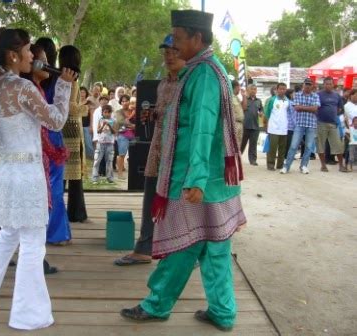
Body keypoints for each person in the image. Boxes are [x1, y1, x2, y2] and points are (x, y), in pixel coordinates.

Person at [120, 10, 246, 332]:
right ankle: (223, 311)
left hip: (196, 181)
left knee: (182, 244)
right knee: (214, 246)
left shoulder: (203, 74)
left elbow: (203, 129)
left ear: (197, 39)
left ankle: (157, 304)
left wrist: (195, 181)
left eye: (177, 38)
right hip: (215, 181)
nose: (173, 44)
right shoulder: (206, 70)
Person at [0, 27, 76, 330]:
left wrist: (3, 137)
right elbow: (56, 120)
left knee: (9, 235)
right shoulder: (22, 89)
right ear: (13, 56)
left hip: (3, 172)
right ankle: (28, 315)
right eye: (27, 51)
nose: (32, 55)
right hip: (25, 175)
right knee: (33, 243)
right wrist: (64, 87)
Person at [114, 34, 185, 266]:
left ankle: (186, 252)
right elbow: (166, 116)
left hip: (181, 157)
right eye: (165, 51)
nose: (169, 55)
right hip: (157, 152)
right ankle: (145, 247)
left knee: (179, 204)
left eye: (174, 50)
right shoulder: (164, 83)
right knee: (150, 198)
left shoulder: (192, 83)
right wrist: (153, 115)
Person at [27, 43, 71, 246]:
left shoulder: (44, 83)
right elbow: (56, 118)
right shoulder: (31, 88)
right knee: (51, 189)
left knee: (52, 188)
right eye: (41, 61)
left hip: (47, 140)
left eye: (47, 60)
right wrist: (64, 86)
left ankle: (53, 232)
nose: (46, 64)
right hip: (45, 141)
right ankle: (53, 233)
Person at [59, 45, 90, 223]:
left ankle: (61, 210)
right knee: (74, 174)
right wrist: (85, 108)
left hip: (62, 128)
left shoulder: (60, 77)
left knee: (63, 173)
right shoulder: (72, 80)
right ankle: (76, 212)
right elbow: (70, 107)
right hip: (71, 128)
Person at [281, 78, 320, 174]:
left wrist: (302, 107)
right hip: (299, 124)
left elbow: (315, 109)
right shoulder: (297, 95)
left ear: (312, 86)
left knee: (309, 147)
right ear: (303, 85)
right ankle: (287, 166)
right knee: (294, 146)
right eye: (306, 84)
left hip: (311, 124)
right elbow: (296, 108)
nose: (307, 86)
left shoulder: (315, 96)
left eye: (309, 84)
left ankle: (303, 166)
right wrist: (309, 108)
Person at [316, 77, 347, 172]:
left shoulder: (337, 96)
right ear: (323, 84)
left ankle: (341, 166)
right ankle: (323, 165)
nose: (328, 85)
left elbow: (340, 108)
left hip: (333, 124)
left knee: (338, 145)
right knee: (321, 145)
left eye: (330, 84)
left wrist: (333, 115)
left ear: (333, 85)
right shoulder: (318, 95)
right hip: (321, 123)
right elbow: (315, 107)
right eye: (326, 84)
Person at [264, 83, 289, 171]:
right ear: (277, 90)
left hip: (284, 129)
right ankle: (270, 164)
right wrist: (266, 126)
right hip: (273, 128)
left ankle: (280, 165)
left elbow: (288, 114)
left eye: (284, 89)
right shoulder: (272, 100)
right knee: (272, 148)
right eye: (280, 89)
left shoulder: (287, 101)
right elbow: (267, 113)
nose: (282, 91)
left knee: (282, 148)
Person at [92, 104, 115, 184]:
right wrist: (103, 126)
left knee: (109, 161)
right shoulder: (100, 120)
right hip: (100, 143)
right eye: (105, 112)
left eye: (109, 112)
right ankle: (95, 178)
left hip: (110, 143)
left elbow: (114, 132)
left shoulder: (113, 120)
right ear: (102, 113)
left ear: (111, 113)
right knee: (97, 160)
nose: (107, 114)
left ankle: (110, 178)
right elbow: (98, 131)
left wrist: (109, 125)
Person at [240, 84, 263, 165]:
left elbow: (261, 110)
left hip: (255, 126)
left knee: (253, 144)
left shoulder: (259, 101)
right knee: (242, 143)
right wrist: (243, 97)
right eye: (251, 89)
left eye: (255, 89)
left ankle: (253, 160)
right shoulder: (244, 100)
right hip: (245, 126)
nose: (253, 91)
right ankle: (238, 158)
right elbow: (242, 109)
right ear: (248, 90)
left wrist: (261, 113)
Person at [114, 94, 135, 179]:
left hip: (134, 135)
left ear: (129, 101)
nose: (125, 102)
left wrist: (135, 126)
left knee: (134, 155)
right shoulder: (118, 112)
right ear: (120, 102)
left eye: (126, 100)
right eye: (123, 101)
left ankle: (133, 174)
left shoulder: (134, 110)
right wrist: (132, 125)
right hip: (123, 135)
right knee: (122, 154)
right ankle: (120, 173)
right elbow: (121, 121)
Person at [231, 80, 247, 148]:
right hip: (234, 123)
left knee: (238, 145)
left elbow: (244, 107)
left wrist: (244, 96)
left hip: (240, 123)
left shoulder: (236, 97)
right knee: (233, 144)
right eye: (239, 87)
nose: (240, 89)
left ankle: (236, 158)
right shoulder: (230, 97)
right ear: (236, 87)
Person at [285, 89, 296, 158]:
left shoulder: (289, 102)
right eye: (293, 94)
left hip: (288, 125)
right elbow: (293, 115)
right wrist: (296, 124)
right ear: (290, 94)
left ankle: (287, 155)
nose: (294, 95)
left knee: (289, 141)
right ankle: (287, 155)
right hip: (290, 125)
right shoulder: (290, 103)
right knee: (289, 142)